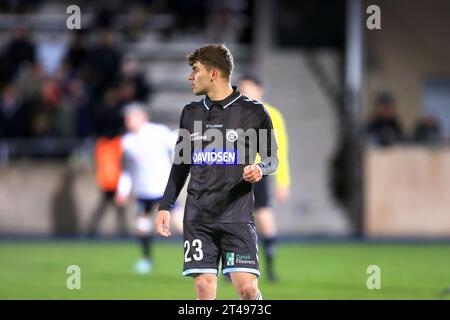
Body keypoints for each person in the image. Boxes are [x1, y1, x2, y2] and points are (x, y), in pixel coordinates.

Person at [155, 44, 279, 300]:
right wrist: (165, 206)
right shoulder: (190, 113)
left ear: (213, 74)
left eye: (195, 70)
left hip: (237, 216)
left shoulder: (254, 111)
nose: (190, 76)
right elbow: (181, 165)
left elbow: (272, 159)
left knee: (246, 290)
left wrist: (260, 168)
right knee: (203, 288)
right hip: (199, 216)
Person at [115, 102, 180, 274]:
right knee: (142, 226)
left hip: (164, 188)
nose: (127, 120)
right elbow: (127, 170)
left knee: (180, 224)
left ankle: (200, 257)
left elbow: (177, 146)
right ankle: (146, 260)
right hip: (143, 192)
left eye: (131, 117)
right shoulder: (127, 141)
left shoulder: (158, 132)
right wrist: (123, 190)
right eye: (126, 118)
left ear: (142, 117)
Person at [238, 75, 290, 282]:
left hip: (259, 173)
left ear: (260, 91)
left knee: (264, 219)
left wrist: (283, 182)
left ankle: (269, 268)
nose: (245, 93)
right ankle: (231, 268)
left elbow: (281, 151)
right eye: (242, 89)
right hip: (233, 173)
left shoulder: (273, 115)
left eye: (249, 89)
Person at [87, 132, 127, 237]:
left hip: (111, 182)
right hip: (111, 182)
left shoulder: (102, 145)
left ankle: (92, 230)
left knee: (110, 209)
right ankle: (123, 233)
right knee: (114, 209)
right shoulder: (115, 144)